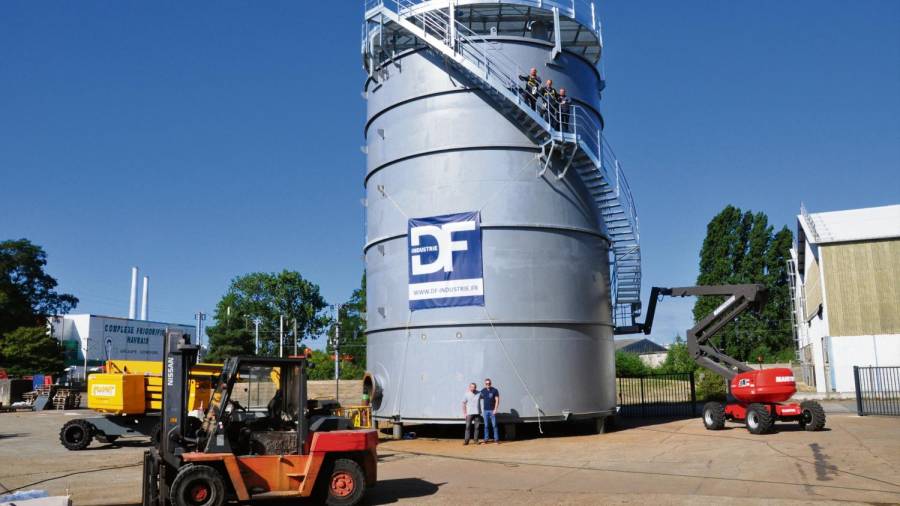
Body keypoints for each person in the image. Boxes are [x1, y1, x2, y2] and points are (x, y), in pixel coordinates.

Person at [480, 378, 500, 444]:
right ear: (485, 384)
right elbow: (479, 398)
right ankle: (486, 440)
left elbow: (497, 400)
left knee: (494, 425)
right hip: (485, 411)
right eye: (486, 384)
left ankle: (496, 440)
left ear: (491, 383)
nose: (488, 384)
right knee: (486, 426)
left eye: (489, 383)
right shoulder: (483, 391)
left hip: (492, 410)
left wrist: (495, 409)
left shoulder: (495, 390)